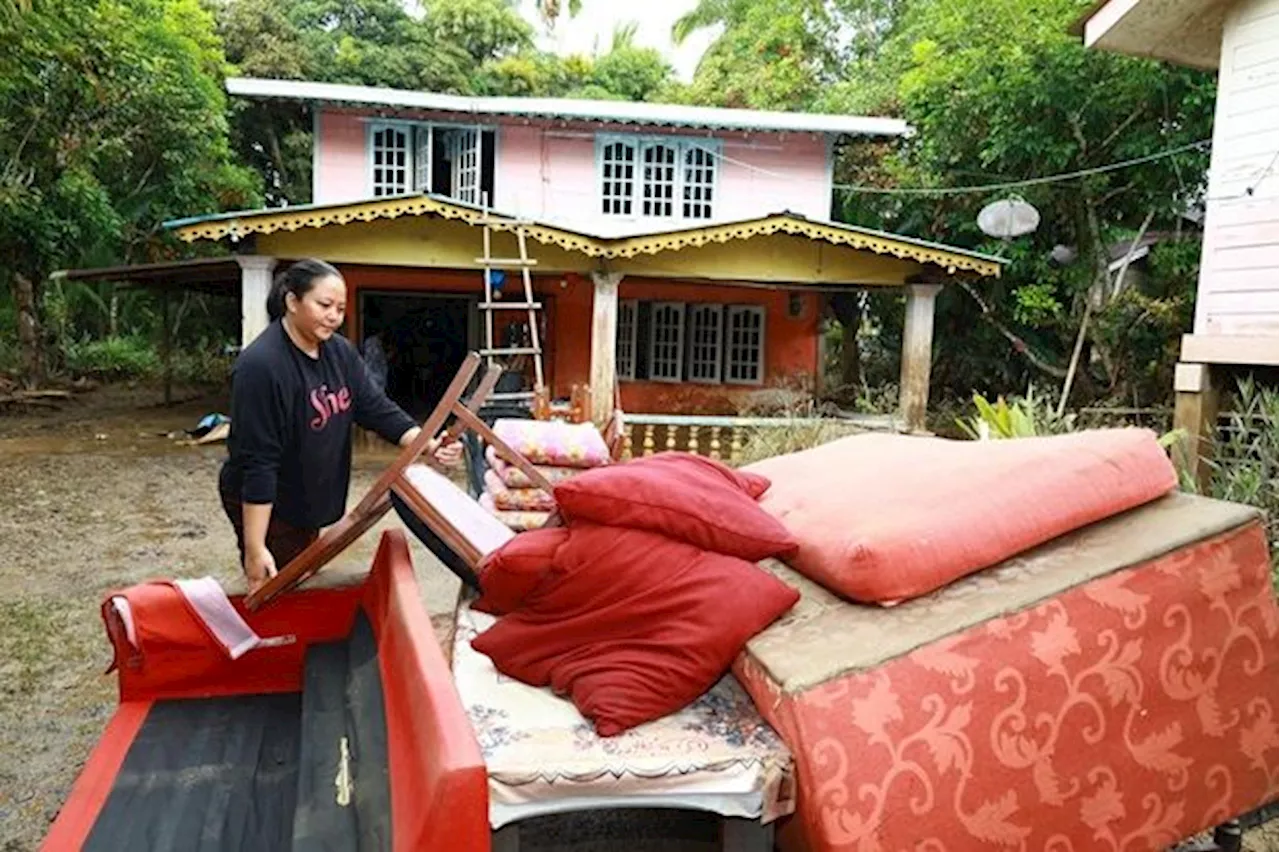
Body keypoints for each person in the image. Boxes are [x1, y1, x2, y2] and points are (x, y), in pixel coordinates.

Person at [218, 258, 461, 594]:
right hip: (271, 501)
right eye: (324, 305)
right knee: (279, 584)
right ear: (292, 301)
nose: (334, 315)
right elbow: (258, 463)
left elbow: (374, 408)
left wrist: (427, 443)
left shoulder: (339, 353)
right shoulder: (262, 367)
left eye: (340, 308)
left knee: (302, 572)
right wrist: (256, 547)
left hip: (306, 496)